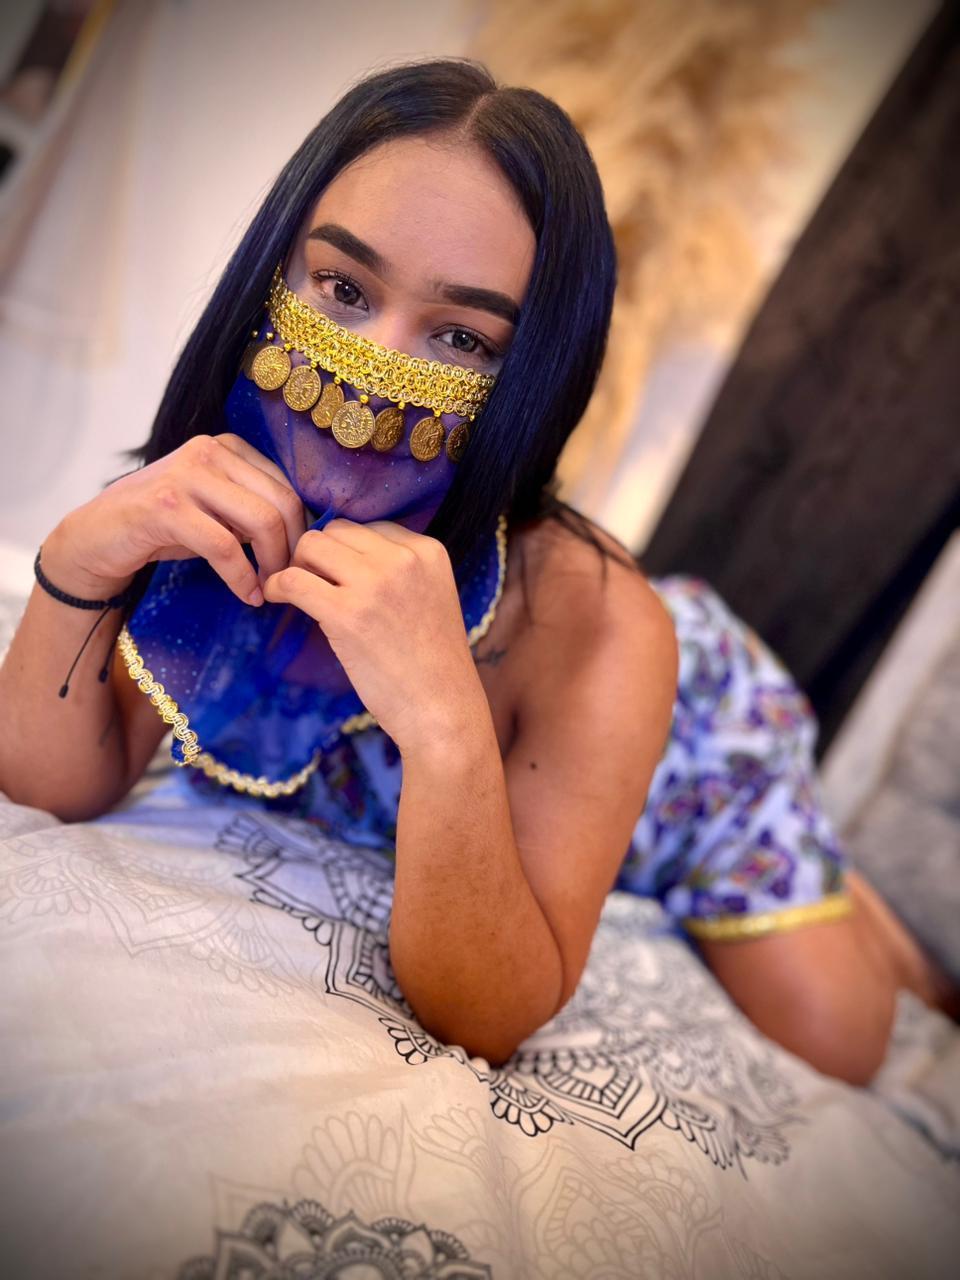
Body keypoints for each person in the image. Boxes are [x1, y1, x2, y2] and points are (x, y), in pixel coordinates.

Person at [0, 58, 954, 1083]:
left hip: (682, 742)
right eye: (342, 289)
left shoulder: (598, 625)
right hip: (574, 747)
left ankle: (875, 920)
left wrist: (447, 723)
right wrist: (76, 560)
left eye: (461, 336)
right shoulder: (228, 483)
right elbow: (59, 779)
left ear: (532, 372)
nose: (376, 366)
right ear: (275, 272)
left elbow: (490, 1016)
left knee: (840, 1037)